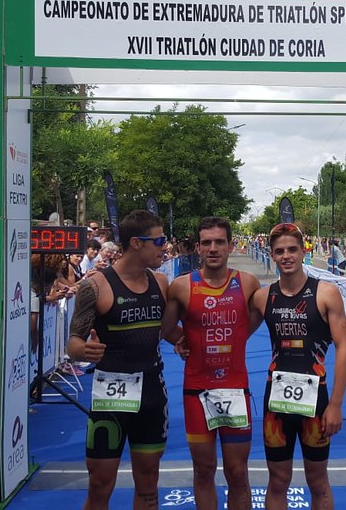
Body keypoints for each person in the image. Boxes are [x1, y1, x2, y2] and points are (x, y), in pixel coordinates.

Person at [67, 210, 171, 510]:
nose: (164, 246)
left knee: (149, 482)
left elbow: (165, 330)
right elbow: (73, 343)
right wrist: (83, 350)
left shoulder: (161, 282)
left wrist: (186, 341)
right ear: (136, 243)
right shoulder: (96, 286)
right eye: (159, 240)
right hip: (110, 397)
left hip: (152, 393)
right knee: (100, 484)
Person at [161, 217, 262, 510]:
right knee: (203, 471)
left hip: (235, 390)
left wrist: (232, 338)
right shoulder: (182, 286)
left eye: (220, 242)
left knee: (237, 473)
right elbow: (163, 329)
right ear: (198, 247)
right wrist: (183, 339)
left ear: (231, 246)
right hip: (197, 392)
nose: (213, 248)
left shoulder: (247, 283)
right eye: (207, 242)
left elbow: (251, 323)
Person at [250, 222, 346, 510]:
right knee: (278, 480)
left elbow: (343, 347)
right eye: (279, 251)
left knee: (317, 481)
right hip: (276, 404)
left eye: (292, 249)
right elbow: (236, 334)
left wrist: (336, 405)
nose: (286, 256)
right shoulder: (263, 297)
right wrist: (184, 340)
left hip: (316, 402)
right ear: (271, 254)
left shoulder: (325, 293)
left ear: (303, 250)